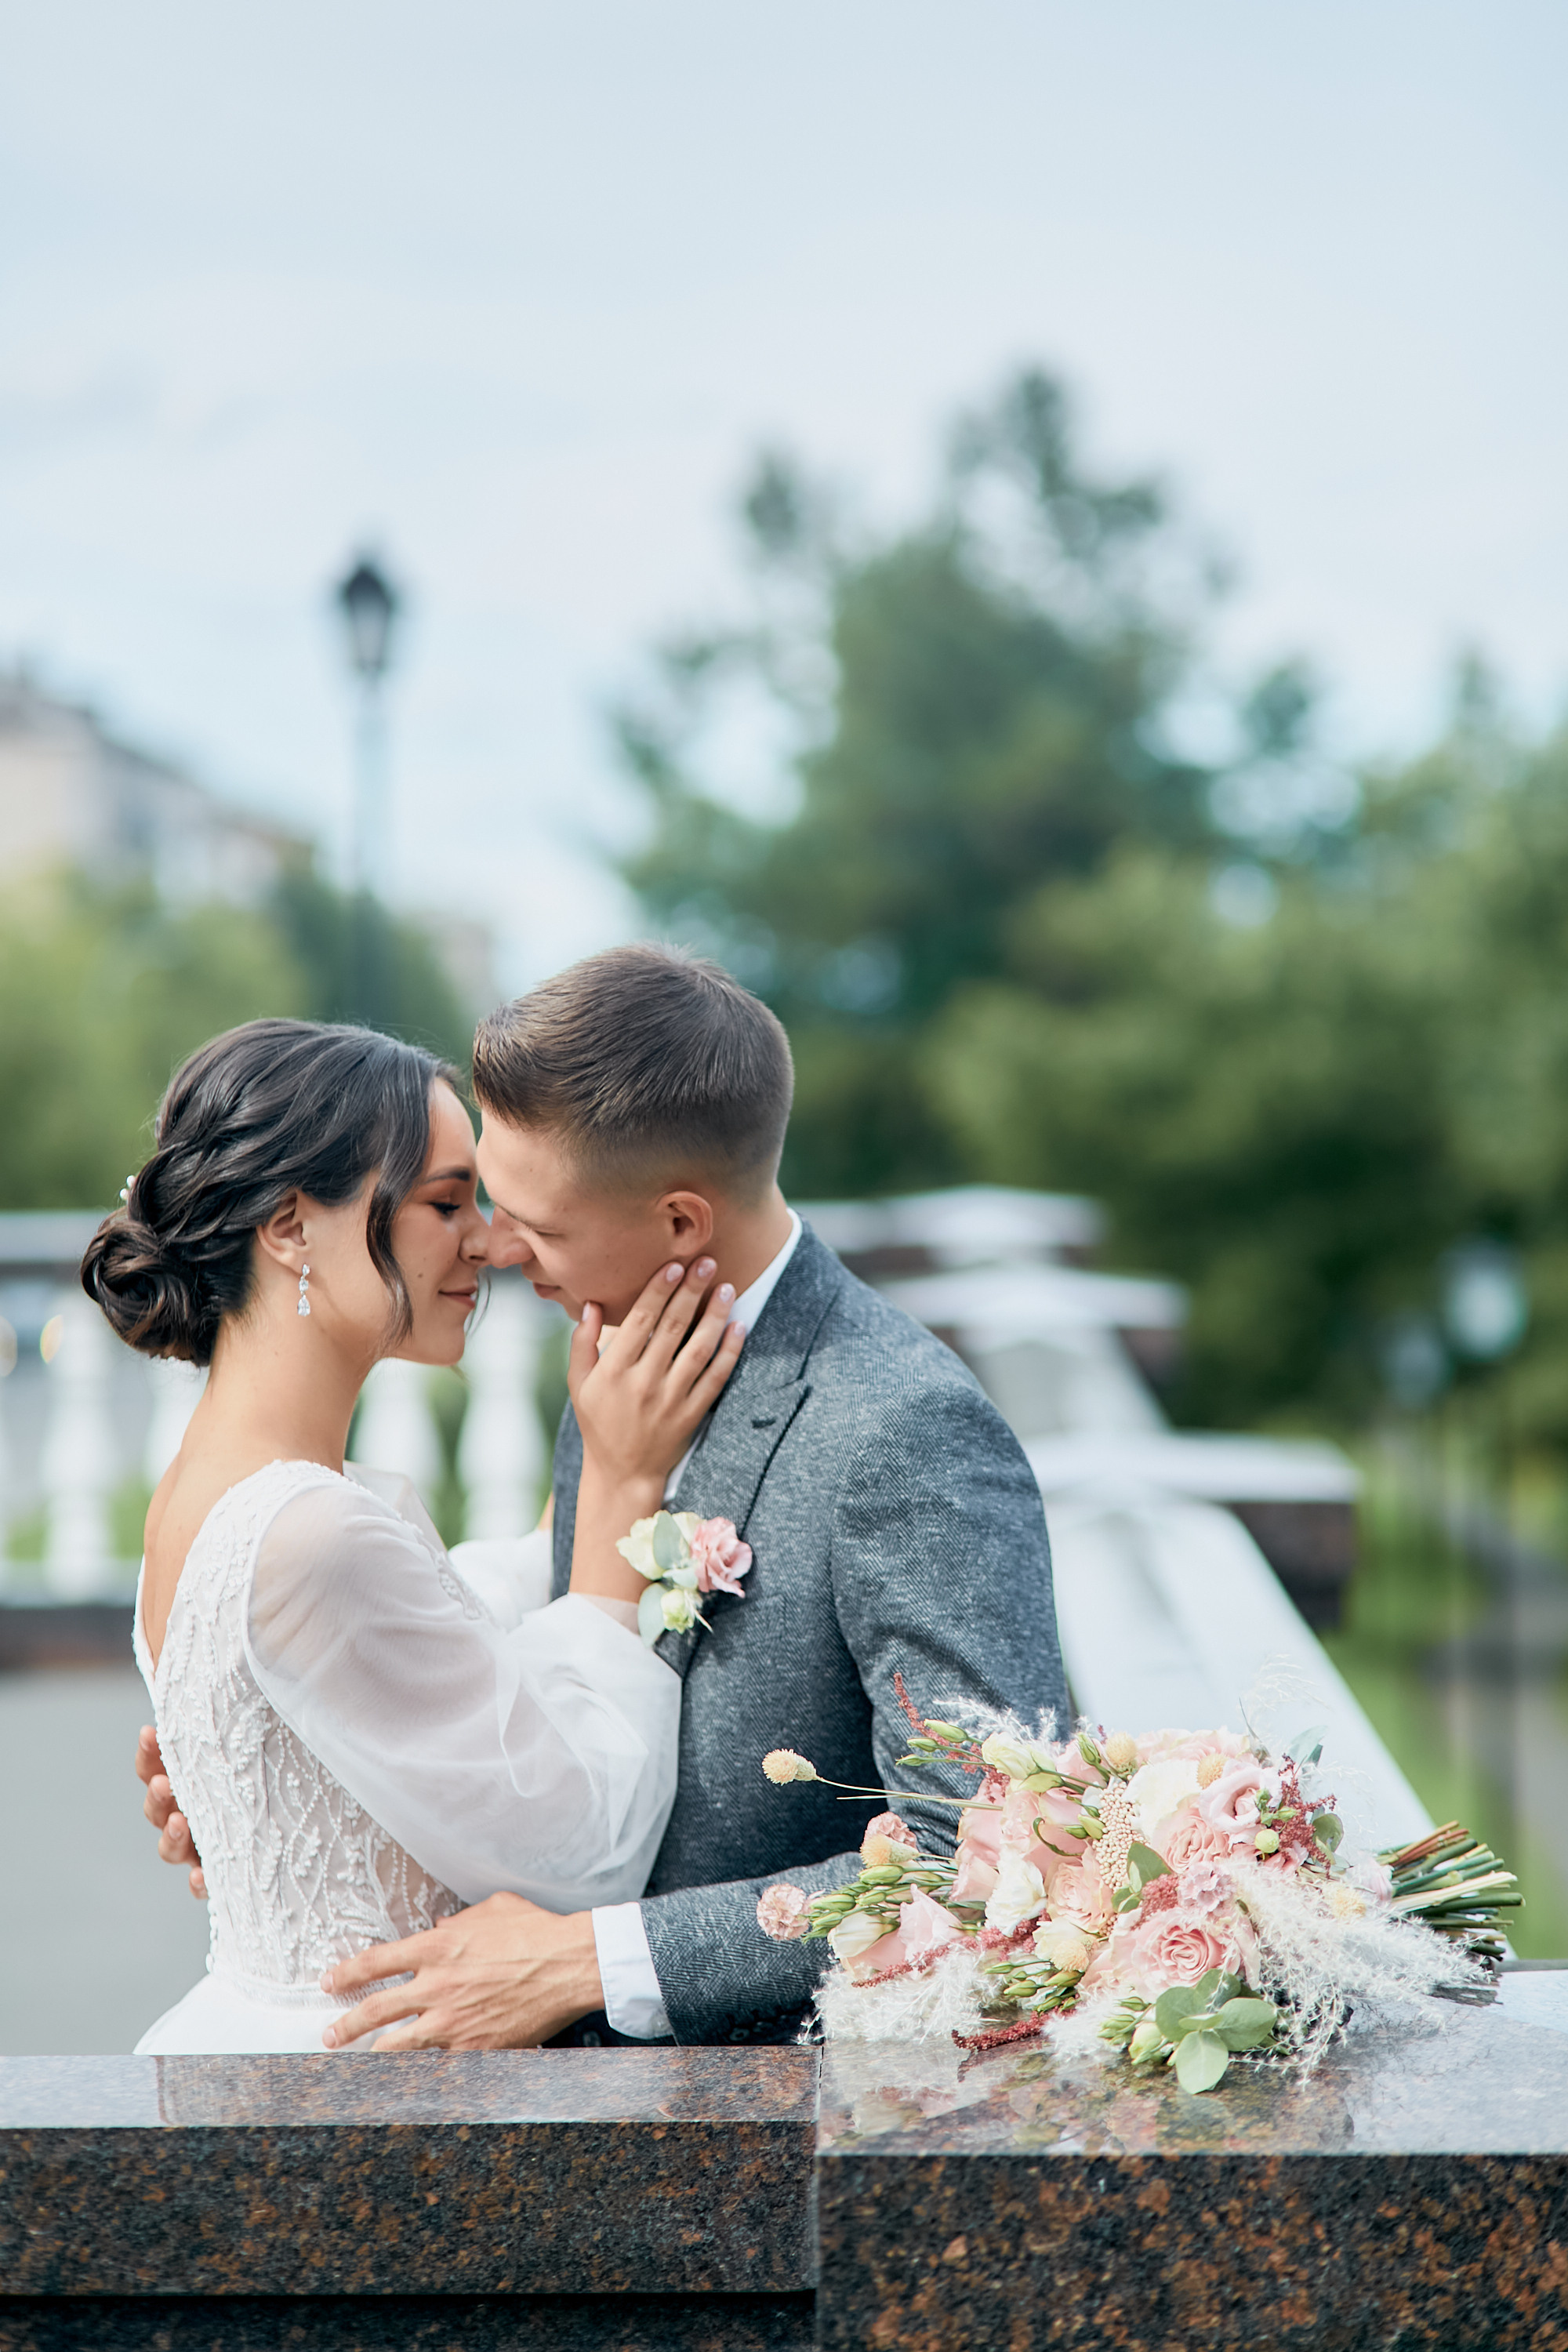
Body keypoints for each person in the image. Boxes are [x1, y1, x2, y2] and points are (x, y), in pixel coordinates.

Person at [142, 948, 1067, 2049]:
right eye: (469, 1200)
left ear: (681, 1223)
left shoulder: (902, 1429)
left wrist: (598, 1960)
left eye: (534, 1219)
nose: (493, 1244)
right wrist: (298, 1764)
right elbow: (531, 1657)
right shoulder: (612, 1344)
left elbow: (990, 1852)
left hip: (748, 2124)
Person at [93, 1017, 742, 2053]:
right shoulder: (310, 1533)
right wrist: (620, 1484)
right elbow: (588, 1855)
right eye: (446, 1202)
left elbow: (443, 1629)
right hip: (369, 2108)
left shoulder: (225, 1489)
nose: (488, 1239)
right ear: (291, 1227)